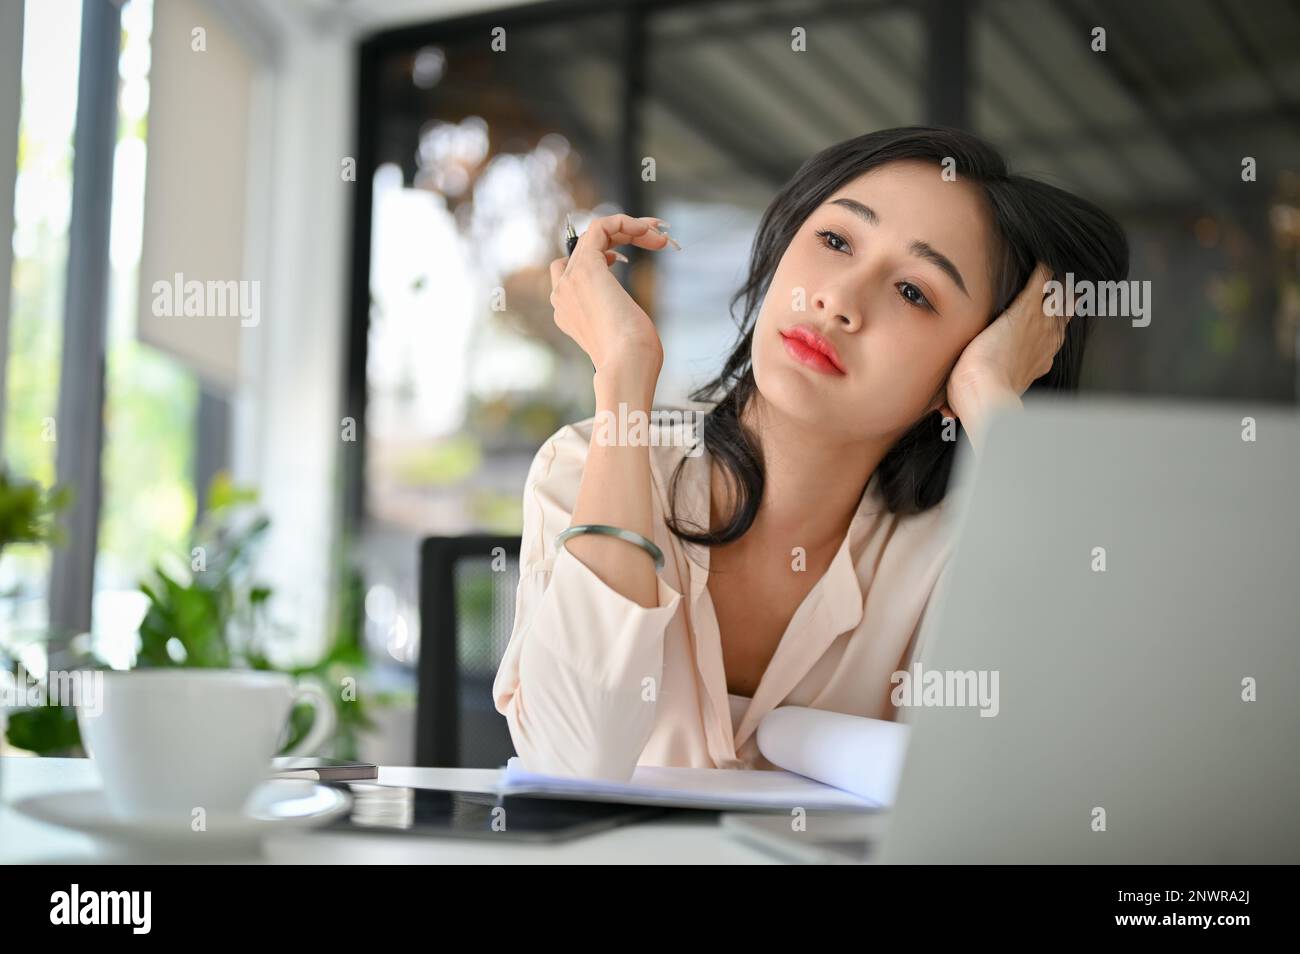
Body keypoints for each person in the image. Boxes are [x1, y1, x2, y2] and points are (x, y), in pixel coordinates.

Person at [492, 126, 1129, 781]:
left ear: (963, 362)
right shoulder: (587, 466)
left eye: (913, 292)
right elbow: (572, 765)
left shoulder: (951, 555)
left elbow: (1056, 775)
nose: (839, 301)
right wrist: (624, 370)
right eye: (835, 240)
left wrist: (989, 397)